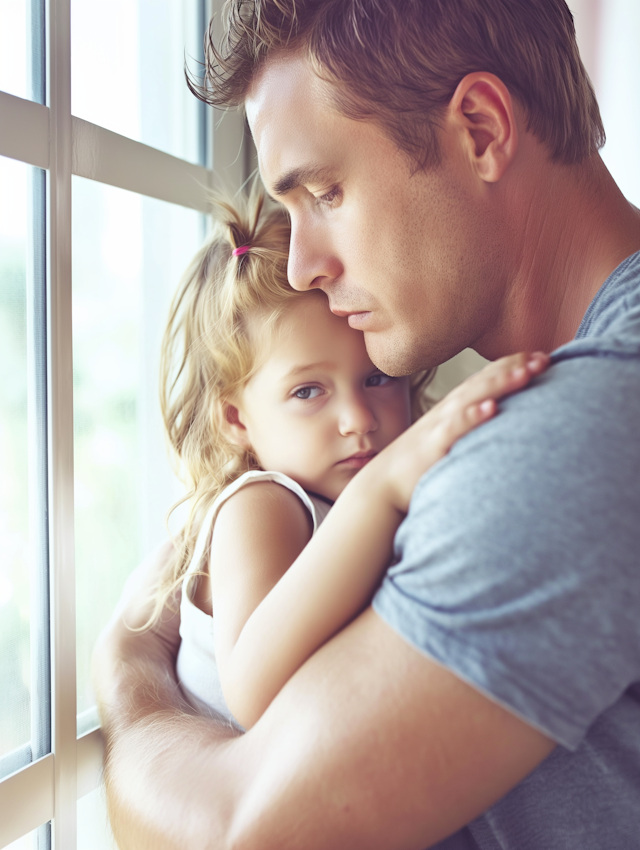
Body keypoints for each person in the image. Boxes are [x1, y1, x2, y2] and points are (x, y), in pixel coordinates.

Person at [93, 1, 640, 848]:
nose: (304, 265)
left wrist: (129, 675)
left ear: (482, 130)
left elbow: (239, 836)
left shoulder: (580, 434)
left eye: (325, 192)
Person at [151, 192, 544, 731]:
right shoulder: (261, 505)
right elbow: (253, 692)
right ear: (237, 420)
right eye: (309, 391)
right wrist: (379, 489)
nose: (358, 418)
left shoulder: (338, 495)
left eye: (378, 379)